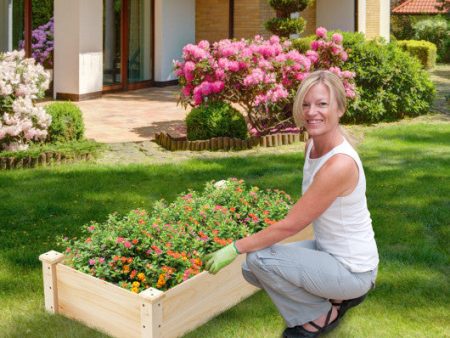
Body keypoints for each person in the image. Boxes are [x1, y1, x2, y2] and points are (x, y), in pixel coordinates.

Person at [204, 70, 379, 338]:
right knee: (252, 270)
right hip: (329, 252)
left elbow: (294, 224)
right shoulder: (312, 146)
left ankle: (319, 315)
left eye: (322, 104)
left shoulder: (339, 164)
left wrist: (234, 246)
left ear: (340, 109)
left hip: (353, 270)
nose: (312, 112)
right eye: (306, 104)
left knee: (259, 258)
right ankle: (334, 297)